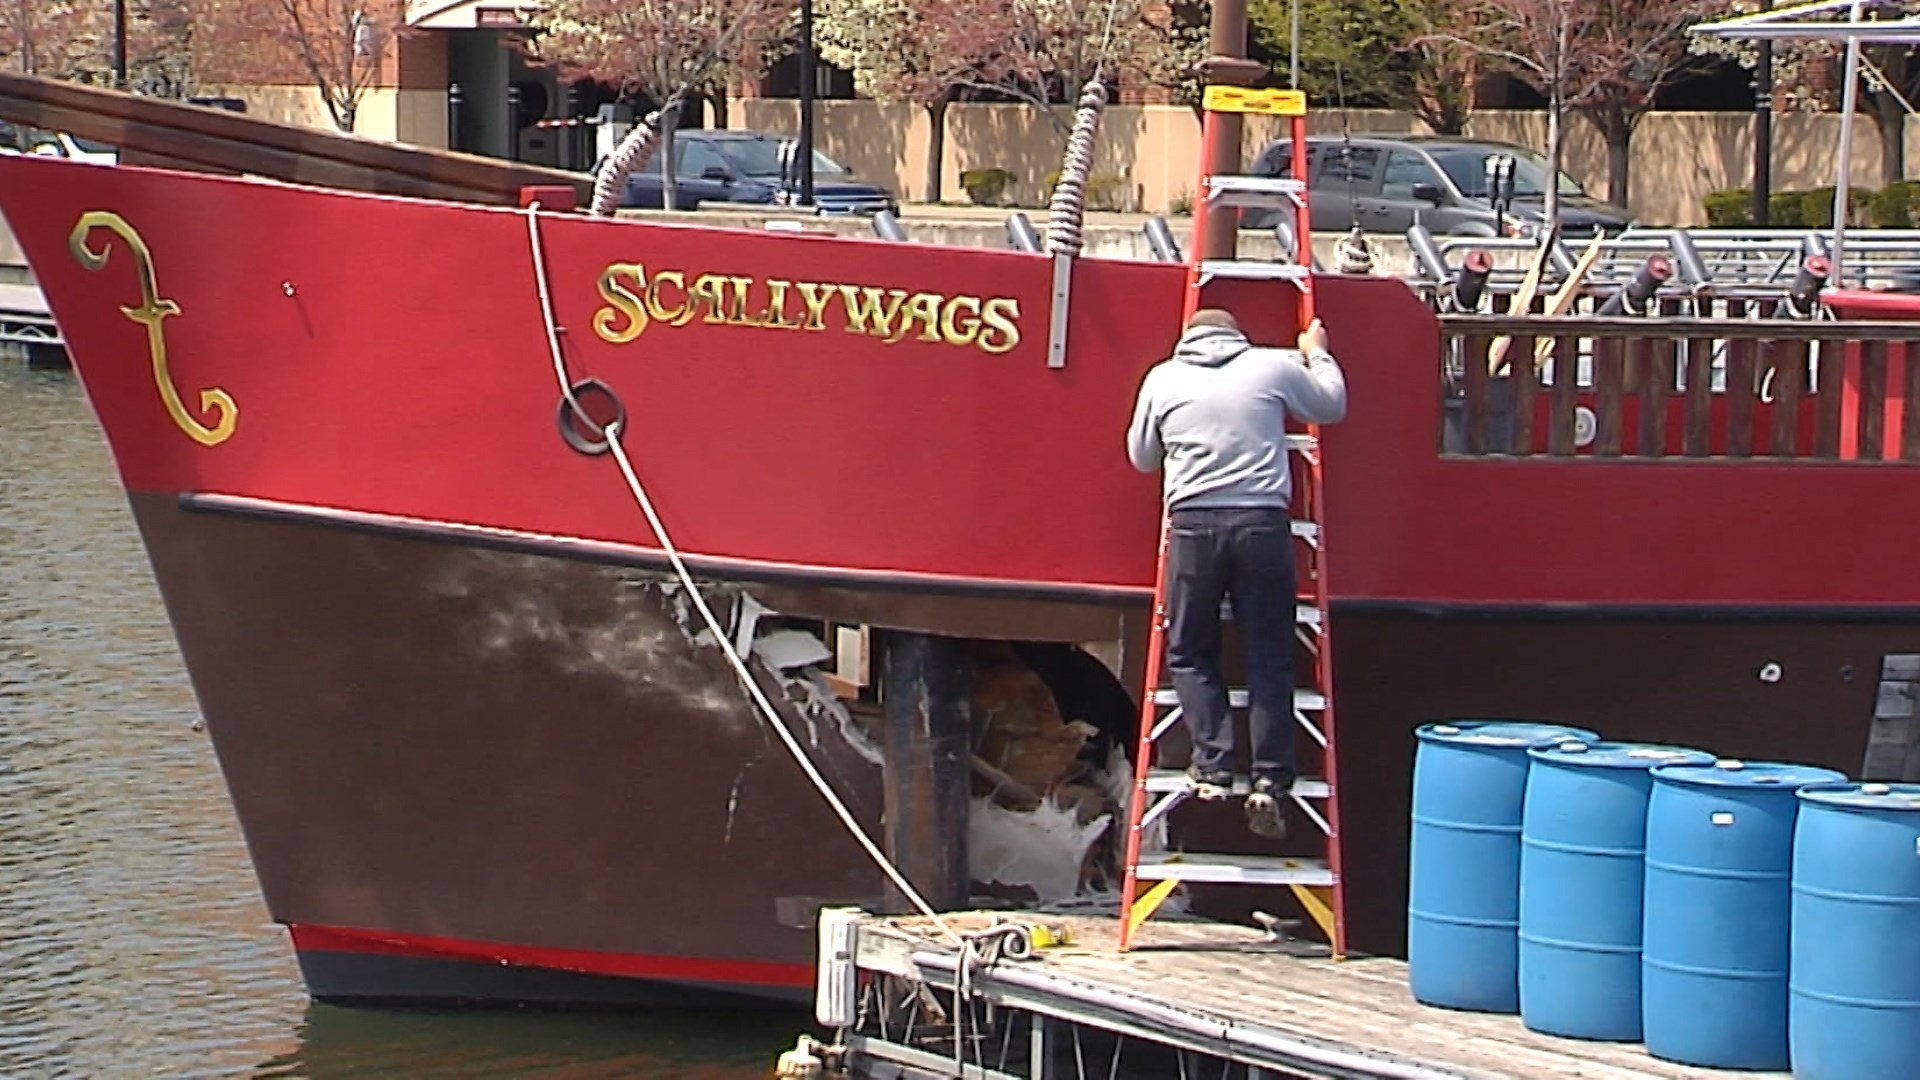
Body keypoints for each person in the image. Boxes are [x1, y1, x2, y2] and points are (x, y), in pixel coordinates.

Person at [1125, 308, 1348, 839]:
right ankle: (1270, 778)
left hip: (1195, 526)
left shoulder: (1163, 378)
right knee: (1269, 654)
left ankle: (1214, 763)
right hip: (1262, 524)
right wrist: (1315, 348)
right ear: (1235, 335)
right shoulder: (1271, 367)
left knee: (1188, 649)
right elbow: (1331, 404)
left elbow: (1141, 457)